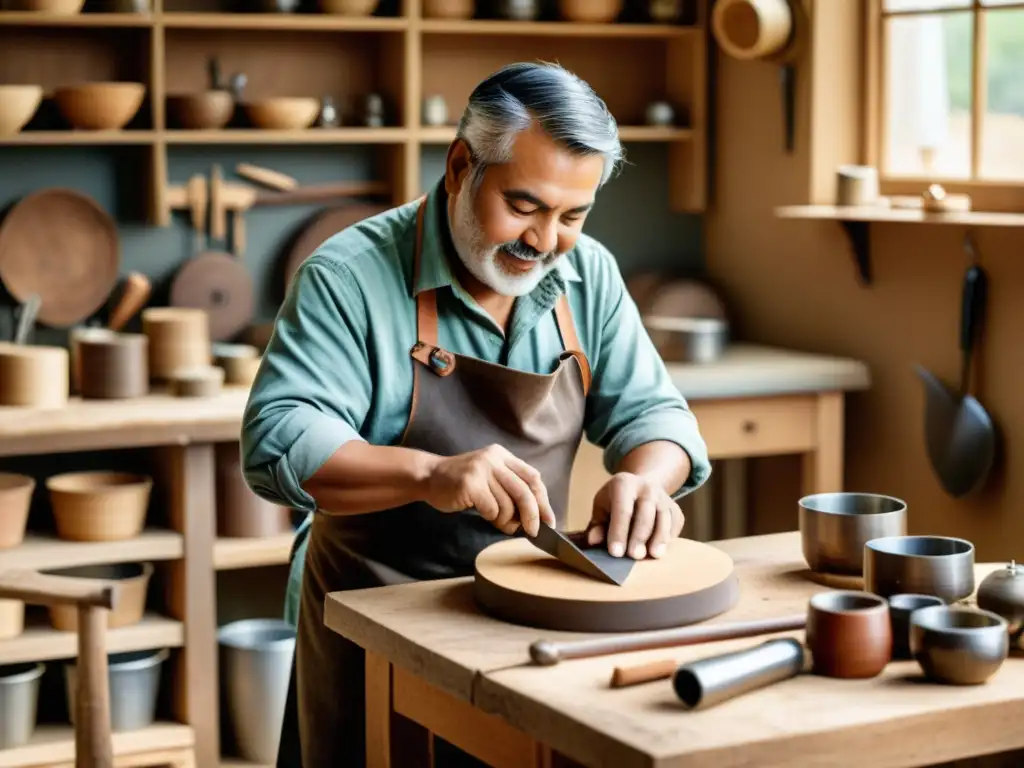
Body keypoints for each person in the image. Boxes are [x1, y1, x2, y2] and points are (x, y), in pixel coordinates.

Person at [241, 61, 712, 768]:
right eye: (524, 206)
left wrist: (648, 477)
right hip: (374, 619)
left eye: (573, 216)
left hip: (523, 620)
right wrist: (431, 472)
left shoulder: (590, 278)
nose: (545, 240)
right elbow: (279, 438)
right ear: (462, 164)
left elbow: (658, 416)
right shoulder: (349, 277)